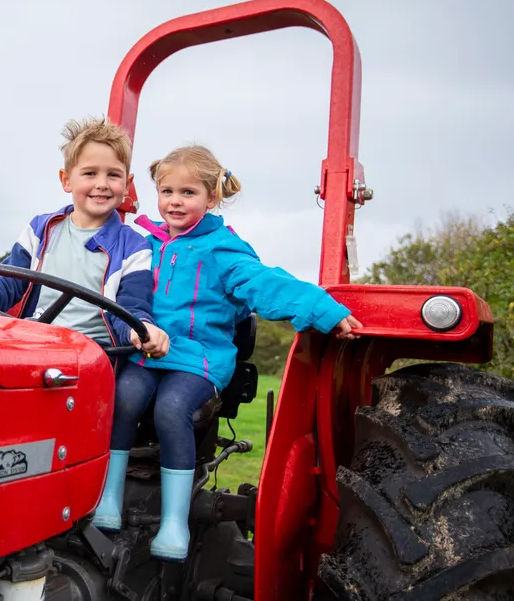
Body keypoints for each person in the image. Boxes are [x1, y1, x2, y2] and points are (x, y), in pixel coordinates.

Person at [91, 145, 362, 561]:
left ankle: (174, 521)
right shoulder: (143, 242)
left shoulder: (222, 249)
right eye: (167, 192)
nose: (175, 202)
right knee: (122, 397)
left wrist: (323, 309)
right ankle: (106, 499)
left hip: (199, 358)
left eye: (187, 193)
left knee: (170, 408)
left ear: (211, 198)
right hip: (146, 351)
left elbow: (264, 284)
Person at [0, 116, 169, 359]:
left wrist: (140, 330)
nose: (102, 184)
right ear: (66, 179)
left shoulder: (134, 248)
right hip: (34, 340)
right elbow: (9, 283)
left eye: (113, 175)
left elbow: (132, 306)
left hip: (93, 353)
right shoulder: (41, 230)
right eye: (90, 173)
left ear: (127, 184)